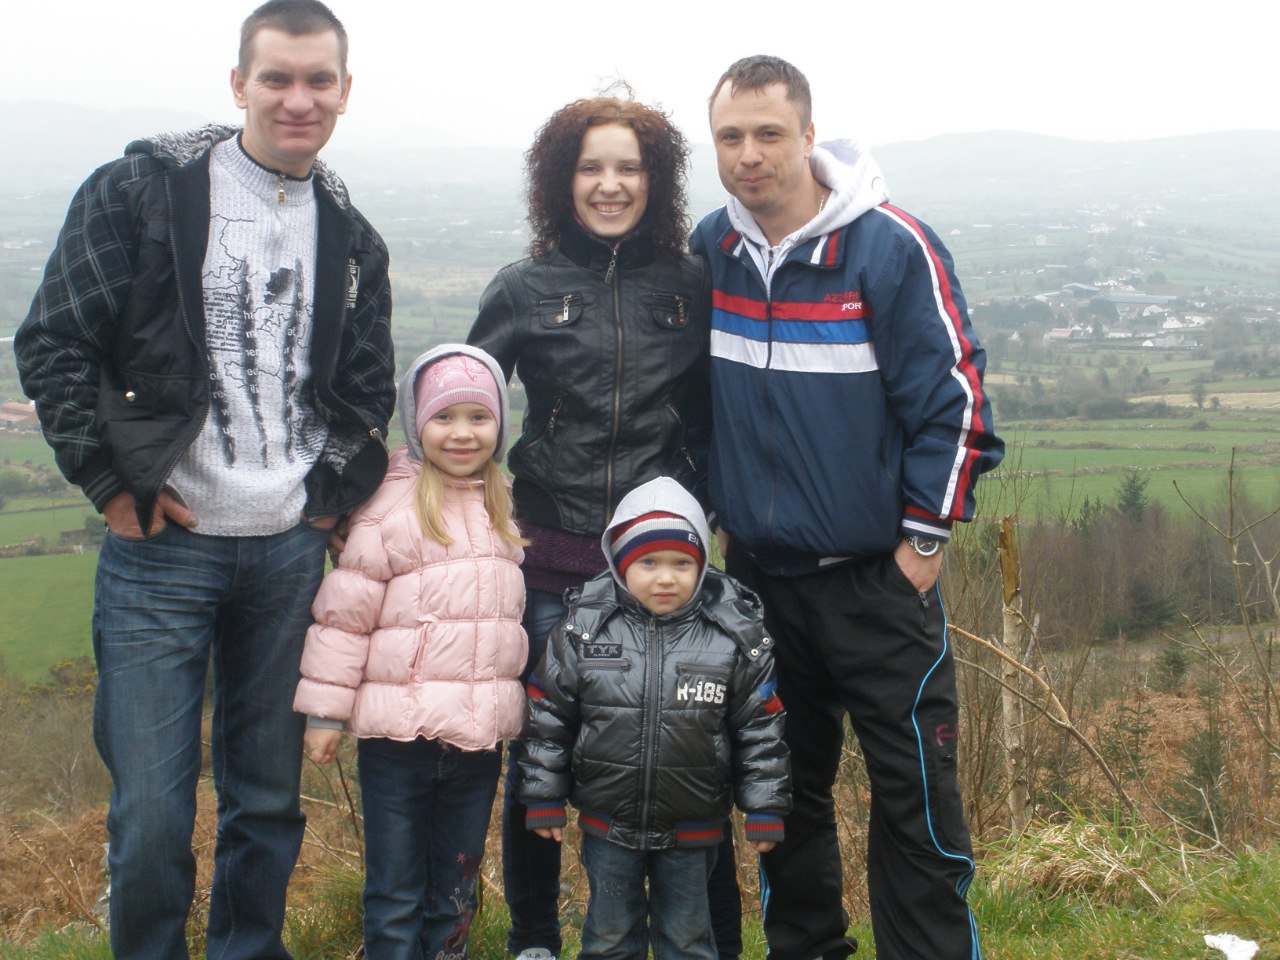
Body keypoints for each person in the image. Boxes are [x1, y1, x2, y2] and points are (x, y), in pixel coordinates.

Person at [12, 2, 394, 956]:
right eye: (277, 78)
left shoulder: (351, 235)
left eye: (318, 80)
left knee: (266, 803)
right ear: (238, 84)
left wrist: (326, 499)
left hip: (286, 557)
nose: (298, 99)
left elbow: (364, 391)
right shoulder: (143, 191)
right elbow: (54, 339)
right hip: (161, 553)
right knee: (150, 812)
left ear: (346, 91)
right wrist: (109, 483)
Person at [690, 56, 1005, 960]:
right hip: (760, 582)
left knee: (916, 799)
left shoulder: (887, 246)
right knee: (782, 797)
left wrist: (922, 543)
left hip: (877, 582)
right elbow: (696, 400)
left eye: (769, 134)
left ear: (808, 134)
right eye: (730, 137)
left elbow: (955, 402)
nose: (749, 155)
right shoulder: (713, 247)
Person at [466, 94, 744, 960]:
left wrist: (714, 512)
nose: (610, 184)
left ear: (656, 181)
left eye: (629, 167)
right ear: (562, 179)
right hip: (553, 560)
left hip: (668, 568)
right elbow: (465, 410)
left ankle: (713, 941)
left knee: (693, 757)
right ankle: (535, 939)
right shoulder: (522, 287)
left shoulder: (691, 284)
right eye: (591, 167)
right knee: (538, 758)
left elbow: (718, 413)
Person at [293, 345, 527, 960]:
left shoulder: (503, 505)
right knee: (396, 891)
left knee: (455, 889)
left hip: (476, 745)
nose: (462, 433)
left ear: (500, 425)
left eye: (479, 417)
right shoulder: (387, 509)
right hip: (397, 743)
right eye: (444, 417)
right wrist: (325, 714)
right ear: (416, 423)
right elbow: (344, 619)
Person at [518, 476, 791, 960]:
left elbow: (760, 728)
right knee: (608, 938)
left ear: (701, 565)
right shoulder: (584, 629)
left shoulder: (733, 635)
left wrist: (764, 807)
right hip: (608, 821)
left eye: (681, 564)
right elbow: (549, 716)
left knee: (686, 939)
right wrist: (544, 795)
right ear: (621, 565)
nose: (666, 578)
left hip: (694, 824)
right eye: (649, 563)